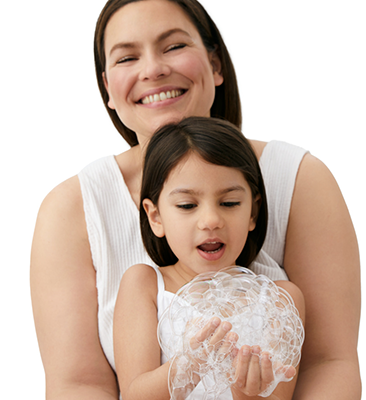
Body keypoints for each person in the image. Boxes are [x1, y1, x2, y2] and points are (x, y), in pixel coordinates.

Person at [30, 0, 361, 399]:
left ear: (215, 64)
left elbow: (328, 362)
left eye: (173, 46)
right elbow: (77, 384)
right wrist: (188, 367)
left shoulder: (299, 179)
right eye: (128, 57)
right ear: (107, 90)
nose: (153, 70)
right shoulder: (73, 209)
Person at [114, 117, 305, 400]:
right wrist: (191, 363)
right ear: (155, 217)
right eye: (187, 205)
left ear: (253, 212)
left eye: (229, 203)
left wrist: (245, 390)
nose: (211, 220)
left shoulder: (280, 300)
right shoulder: (144, 285)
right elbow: (134, 395)